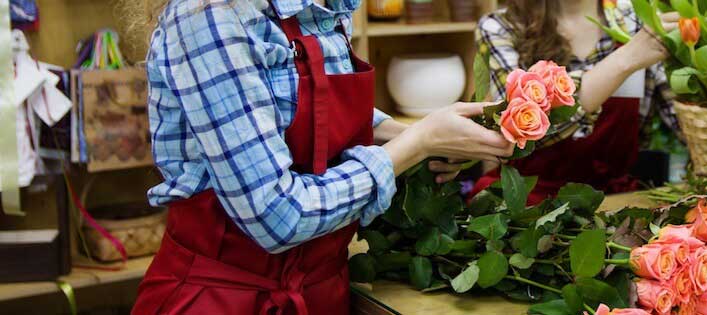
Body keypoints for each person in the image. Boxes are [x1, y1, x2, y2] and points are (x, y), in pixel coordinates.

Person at [130, 0, 513, 314]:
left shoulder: (320, 8)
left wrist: (413, 134)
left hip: (323, 292)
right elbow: (277, 215)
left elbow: (303, 108)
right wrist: (417, 144)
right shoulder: (209, 15)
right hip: (223, 298)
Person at [471, 0, 707, 204]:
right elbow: (515, 136)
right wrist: (625, 59)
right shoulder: (499, 27)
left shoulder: (636, 21)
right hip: (523, 206)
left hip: (617, 206)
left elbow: (692, 127)